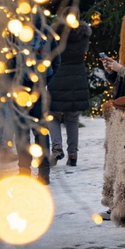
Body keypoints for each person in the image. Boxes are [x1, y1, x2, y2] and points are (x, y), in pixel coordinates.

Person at [11, 17, 61, 185]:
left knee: (22, 131)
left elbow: (7, 62)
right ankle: (44, 174)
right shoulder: (47, 32)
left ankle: (24, 172)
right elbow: (57, 61)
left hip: (20, 89)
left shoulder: (15, 31)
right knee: (41, 132)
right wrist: (45, 81)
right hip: (39, 88)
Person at [48, 20, 91, 166]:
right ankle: (73, 155)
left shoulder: (55, 35)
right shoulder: (84, 36)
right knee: (72, 119)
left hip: (57, 78)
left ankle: (57, 147)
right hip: (77, 80)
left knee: (52, 115)